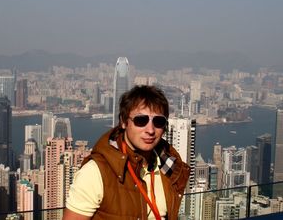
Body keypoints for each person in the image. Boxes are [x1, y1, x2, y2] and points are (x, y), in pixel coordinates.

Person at [63, 85, 190, 220]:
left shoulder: (169, 167)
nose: (150, 130)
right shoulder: (96, 172)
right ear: (123, 122)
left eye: (158, 121)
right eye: (141, 120)